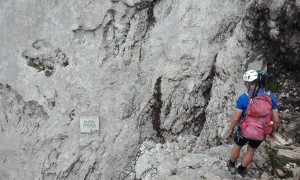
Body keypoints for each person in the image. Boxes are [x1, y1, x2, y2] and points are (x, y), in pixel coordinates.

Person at [227, 70, 280, 176]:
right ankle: (242, 169)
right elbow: (276, 119)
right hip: (261, 131)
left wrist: (231, 129)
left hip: (244, 129)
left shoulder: (244, 97)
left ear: (248, 83)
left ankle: (232, 165)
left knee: (237, 146)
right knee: (251, 150)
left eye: (245, 83)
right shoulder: (271, 97)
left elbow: (236, 117)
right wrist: (273, 131)